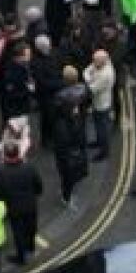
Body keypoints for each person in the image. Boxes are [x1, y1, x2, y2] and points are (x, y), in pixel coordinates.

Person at [0, 141, 43, 265]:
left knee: (18, 233)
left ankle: (21, 258)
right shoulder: (29, 167)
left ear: (5, 155)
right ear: (18, 153)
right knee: (31, 228)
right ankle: (31, 247)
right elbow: (38, 186)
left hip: (14, 208)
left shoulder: (1, 172)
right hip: (31, 205)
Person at [52, 66, 89, 206]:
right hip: (78, 136)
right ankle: (68, 187)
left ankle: (66, 194)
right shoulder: (84, 90)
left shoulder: (60, 97)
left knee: (66, 168)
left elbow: (54, 114)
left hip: (65, 143)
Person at [83, 49, 115, 161]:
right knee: (98, 125)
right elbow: (87, 70)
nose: (93, 62)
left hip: (102, 104)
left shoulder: (106, 75)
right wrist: (89, 78)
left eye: (95, 61)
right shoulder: (100, 62)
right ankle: (99, 142)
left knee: (102, 129)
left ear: (102, 62)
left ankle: (104, 151)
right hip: (97, 102)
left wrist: (88, 79)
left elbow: (92, 89)